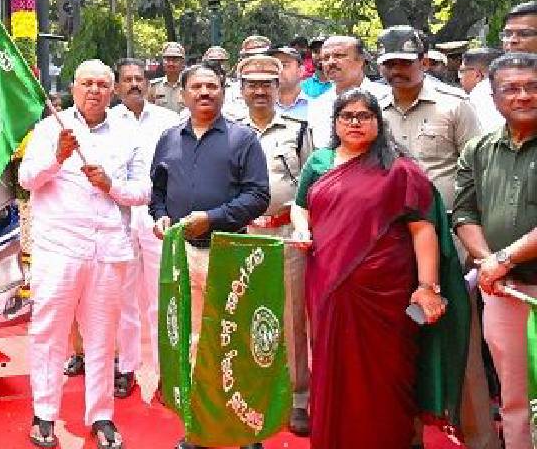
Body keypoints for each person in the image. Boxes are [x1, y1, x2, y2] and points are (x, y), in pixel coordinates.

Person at [290, 88, 452, 449]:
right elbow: (300, 206)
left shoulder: (399, 169)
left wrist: (427, 286)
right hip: (328, 285)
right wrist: (302, 228)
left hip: (385, 292)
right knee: (334, 367)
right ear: (335, 123)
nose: (355, 123)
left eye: (364, 116)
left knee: (385, 373)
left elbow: (422, 228)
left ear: (379, 123)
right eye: (346, 116)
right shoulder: (319, 162)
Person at [375, 26, 497, 449]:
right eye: (389, 64)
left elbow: (478, 172)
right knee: (400, 340)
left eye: (405, 63)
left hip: (449, 243)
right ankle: (405, 435)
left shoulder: (454, 106)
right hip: (390, 245)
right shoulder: (371, 108)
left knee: (459, 338)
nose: (397, 71)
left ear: (424, 62)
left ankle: (479, 438)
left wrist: (470, 239)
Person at [19, 60, 150, 449]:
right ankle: (44, 414)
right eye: (87, 83)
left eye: (101, 84)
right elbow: (27, 180)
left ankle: (102, 415)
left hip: (108, 249)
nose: (94, 90)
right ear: (73, 88)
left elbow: (142, 191)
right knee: (49, 332)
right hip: (59, 249)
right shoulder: (49, 129)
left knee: (101, 337)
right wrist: (57, 157)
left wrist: (112, 186)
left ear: (112, 91)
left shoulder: (128, 134)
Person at [149, 64, 270, 449]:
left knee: (233, 341)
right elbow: (158, 193)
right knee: (193, 342)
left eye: (212, 86)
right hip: (182, 256)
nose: (205, 92)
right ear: (182, 94)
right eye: (197, 86)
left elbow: (257, 196)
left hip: (229, 255)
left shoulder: (243, 139)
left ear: (223, 91)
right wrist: (160, 216)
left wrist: (212, 219)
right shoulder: (168, 139)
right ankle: (200, 427)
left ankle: (244, 431)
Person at [453, 52, 537, 449]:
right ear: (493, 94)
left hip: (512, 276)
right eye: (511, 89)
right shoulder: (478, 149)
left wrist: (503, 258)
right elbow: (465, 212)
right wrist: (489, 261)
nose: (523, 96)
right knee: (514, 394)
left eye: (532, 87)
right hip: (504, 291)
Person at [232, 55, 313, 436]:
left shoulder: (299, 129)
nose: (260, 90)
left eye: (267, 83)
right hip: (242, 235)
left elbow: (313, 185)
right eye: (252, 84)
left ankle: (298, 398)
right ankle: (253, 390)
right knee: (245, 314)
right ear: (242, 88)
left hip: (285, 234)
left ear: (278, 87)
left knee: (293, 317)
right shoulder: (229, 130)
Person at [106, 58, 181, 402]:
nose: (134, 84)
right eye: (127, 80)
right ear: (117, 87)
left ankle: (168, 373)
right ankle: (126, 368)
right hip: (118, 216)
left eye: (140, 79)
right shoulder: (106, 123)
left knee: (159, 297)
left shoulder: (169, 121)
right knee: (123, 299)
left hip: (157, 216)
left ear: (149, 85)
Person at [305, 35, 390, 147]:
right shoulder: (317, 106)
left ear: (361, 61)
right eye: (325, 58)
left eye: (339, 56)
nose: (331, 62)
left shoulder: (387, 99)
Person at [460, 47, 504, 133]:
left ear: (477, 75)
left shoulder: (478, 97)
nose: (460, 77)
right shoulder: (509, 91)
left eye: (462, 71)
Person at [269, 45, 309, 120]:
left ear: (301, 71)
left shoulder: (315, 104)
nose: (278, 71)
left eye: (284, 65)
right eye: (274, 66)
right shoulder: (263, 104)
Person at [149, 42, 186, 113]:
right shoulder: (153, 86)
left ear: (182, 63)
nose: (171, 63)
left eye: (175, 60)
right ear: (163, 62)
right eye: (168, 60)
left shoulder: (189, 85)